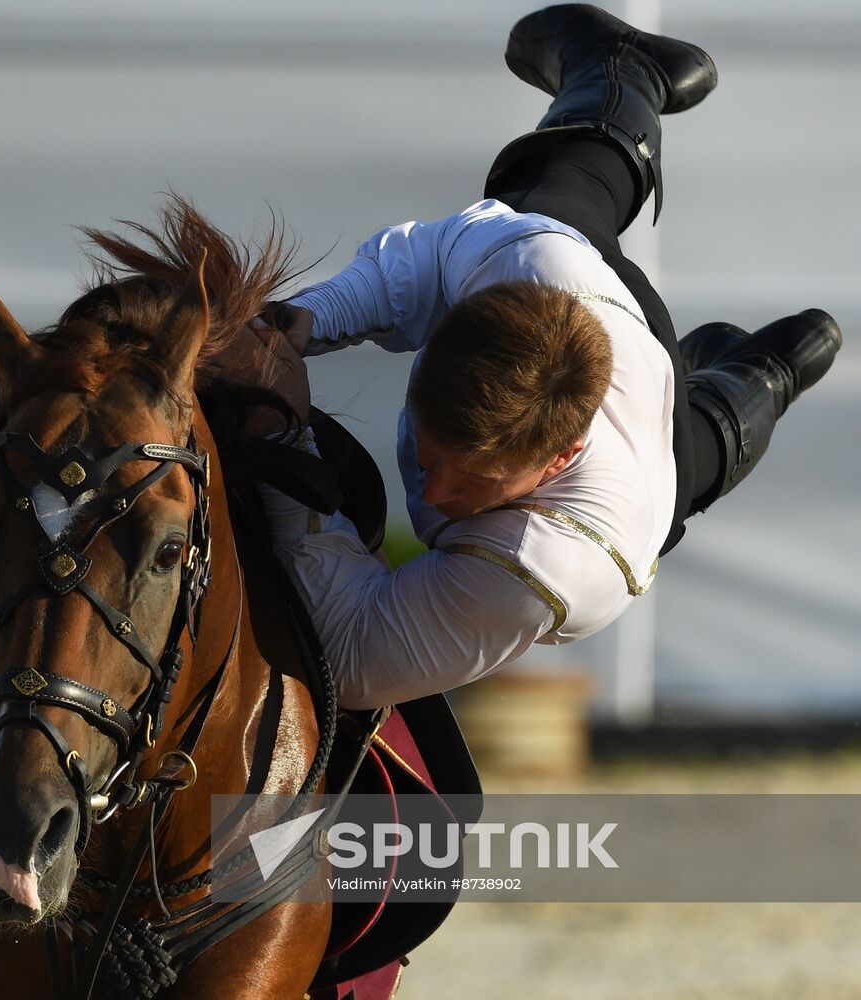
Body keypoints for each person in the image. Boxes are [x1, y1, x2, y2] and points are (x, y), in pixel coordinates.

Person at [249, 4, 842, 709]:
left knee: (700, 451)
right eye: (432, 457)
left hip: (627, 486)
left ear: (557, 458)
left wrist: (281, 438)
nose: (433, 495)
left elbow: (350, 657)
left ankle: (767, 370)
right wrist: (293, 327)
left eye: (468, 478)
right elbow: (409, 264)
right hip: (585, 292)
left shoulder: (553, 556)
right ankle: (620, 66)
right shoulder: (525, 256)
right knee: (558, 196)